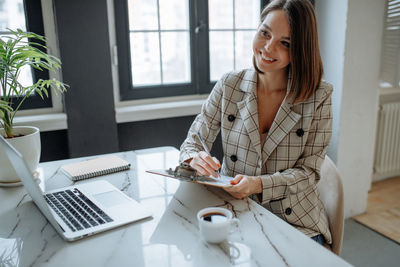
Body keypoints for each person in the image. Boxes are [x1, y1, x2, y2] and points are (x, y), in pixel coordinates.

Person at [180, 0, 332, 246]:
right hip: (237, 211)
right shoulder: (229, 84)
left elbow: (309, 173)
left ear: (300, 49)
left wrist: (259, 185)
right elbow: (194, 139)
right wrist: (193, 158)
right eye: (265, 33)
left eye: (285, 43)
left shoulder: (319, 96)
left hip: (295, 222)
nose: (268, 48)